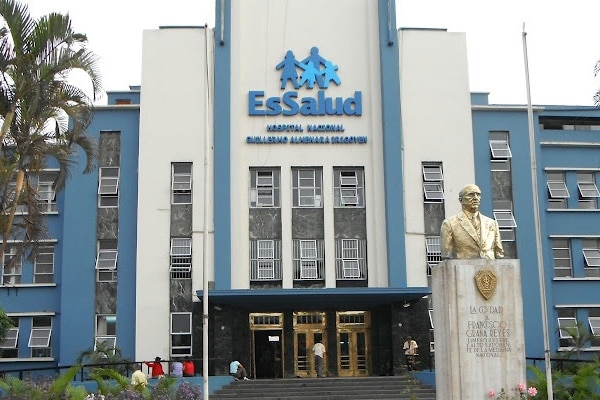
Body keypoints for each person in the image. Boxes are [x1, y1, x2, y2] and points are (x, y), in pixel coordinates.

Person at [440, 184, 504, 260]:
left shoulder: (492, 223)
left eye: (478, 194)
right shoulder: (450, 223)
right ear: (461, 200)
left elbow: (499, 253)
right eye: (471, 195)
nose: (476, 198)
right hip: (462, 266)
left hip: (490, 266)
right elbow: (447, 256)